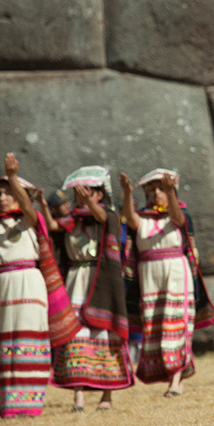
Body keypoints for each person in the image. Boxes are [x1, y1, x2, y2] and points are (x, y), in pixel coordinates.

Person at [0, 153, 80, 418]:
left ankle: (30, 404)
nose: (2, 197)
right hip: (0, 288)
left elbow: (29, 209)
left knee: (28, 342)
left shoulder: (32, 220)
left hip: (28, 286)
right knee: (3, 345)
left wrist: (11, 177)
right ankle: (8, 406)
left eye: (7, 192)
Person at [39, 167, 133, 411]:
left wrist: (90, 202)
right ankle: (78, 397)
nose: (82, 194)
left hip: (101, 280)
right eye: (80, 191)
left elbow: (102, 218)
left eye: (89, 191)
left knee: (104, 335)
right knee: (75, 337)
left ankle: (107, 396)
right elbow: (52, 226)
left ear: (99, 195)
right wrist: (40, 202)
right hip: (75, 280)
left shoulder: (108, 216)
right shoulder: (72, 220)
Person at [120, 168, 214, 397]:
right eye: (152, 190)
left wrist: (171, 192)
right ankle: (171, 374)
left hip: (176, 273)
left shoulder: (179, 214)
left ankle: (176, 381)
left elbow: (177, 218)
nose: (157, 193)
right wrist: (126, 192)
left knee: (176, 325)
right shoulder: (142, 217)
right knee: (156, 327)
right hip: (150, 277)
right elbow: (131, 220)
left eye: (161, 189)